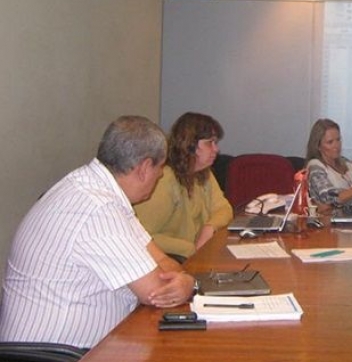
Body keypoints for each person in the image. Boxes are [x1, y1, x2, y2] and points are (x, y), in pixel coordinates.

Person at [0, 116, 196, 349]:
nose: (161, 176)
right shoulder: (96, 207)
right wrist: (187, 283)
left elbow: (162, 260)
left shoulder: (98, 190)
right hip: (59, 354)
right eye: (160, 169)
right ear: (144, 168)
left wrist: (182, 282)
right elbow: (156, 291)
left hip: (90, 346)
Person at [134, 112, 233, 261]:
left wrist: (209, 228)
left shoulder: (203, 173)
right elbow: (141, 235)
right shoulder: (163, 179)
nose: (216, 149)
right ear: (191, 145)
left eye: (215, 143)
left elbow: (224, 208)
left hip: (197, 255)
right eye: (209, 143)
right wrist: (190, 248)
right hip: (169, 260)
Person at [305, 118, 352, 210]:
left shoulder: (347, 163)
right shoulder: (315, 166)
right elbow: (330, 199)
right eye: (330, 142)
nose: (336, 145)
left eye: (338, 140)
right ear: (318, 146)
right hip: (330, 221)